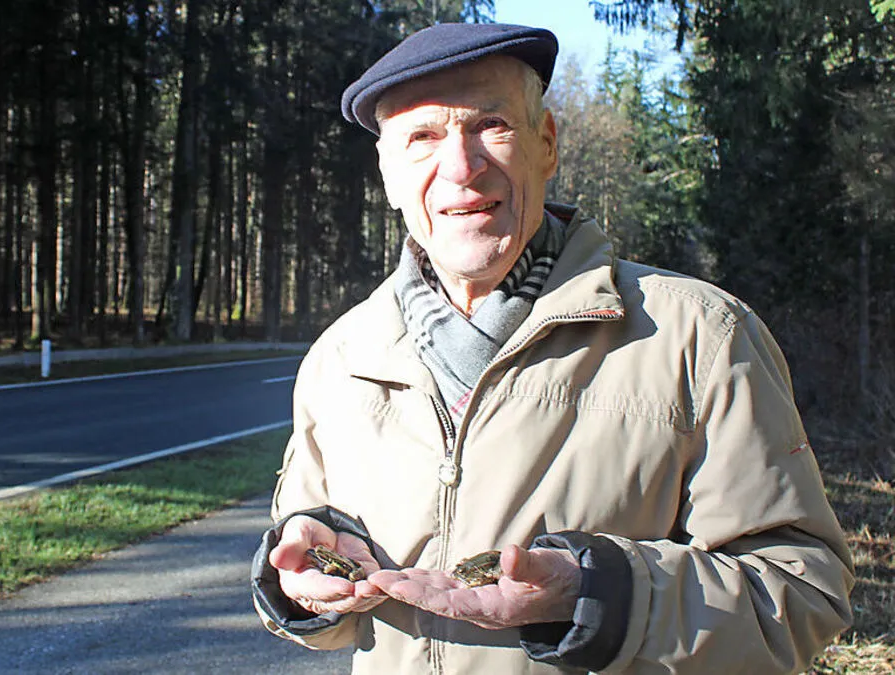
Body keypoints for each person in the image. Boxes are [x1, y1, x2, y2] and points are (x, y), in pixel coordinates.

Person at [249, 22, 855, 674]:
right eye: (421, 137)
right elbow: (321, 589)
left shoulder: (700, 334)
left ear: (546, 144)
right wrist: (303, 585)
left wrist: (600, 595)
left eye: (490, 124)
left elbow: (804, 591)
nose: (460, 165)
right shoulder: (341, 358)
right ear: (389, 175)